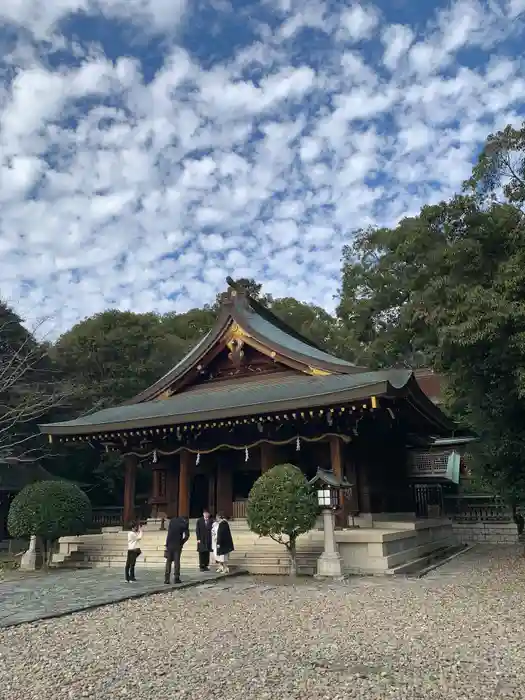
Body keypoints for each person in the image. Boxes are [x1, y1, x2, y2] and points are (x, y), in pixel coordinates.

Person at [164, 515, 190, 584]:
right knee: (177, 561)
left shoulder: (172, 521)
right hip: (178, 544)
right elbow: (187, 536)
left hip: (170, 544)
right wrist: (182, 542)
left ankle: (167, 578)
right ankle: (176, 578)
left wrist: (166, 544)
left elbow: (169, 533)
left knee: (168, 561)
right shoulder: (185, 524)